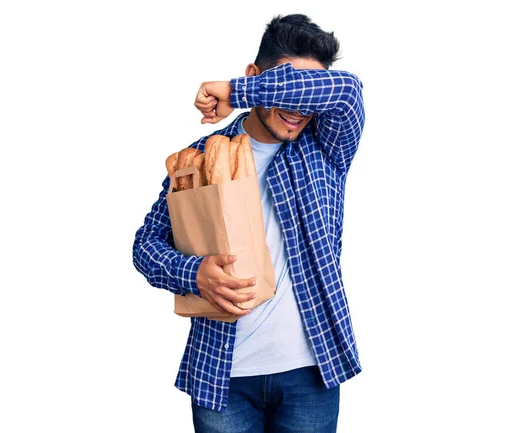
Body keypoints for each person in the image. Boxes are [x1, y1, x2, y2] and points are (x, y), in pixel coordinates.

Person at [133, 13, 365, 433]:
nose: (300, 107)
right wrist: (195, 272)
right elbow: (145, 246)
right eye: (286, 85)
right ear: (255, 73)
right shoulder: (199, 159)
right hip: (222, 374)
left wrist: (237, 91)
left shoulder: (327, 147)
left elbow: (348, 89)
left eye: (309, 91)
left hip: (311, 372)